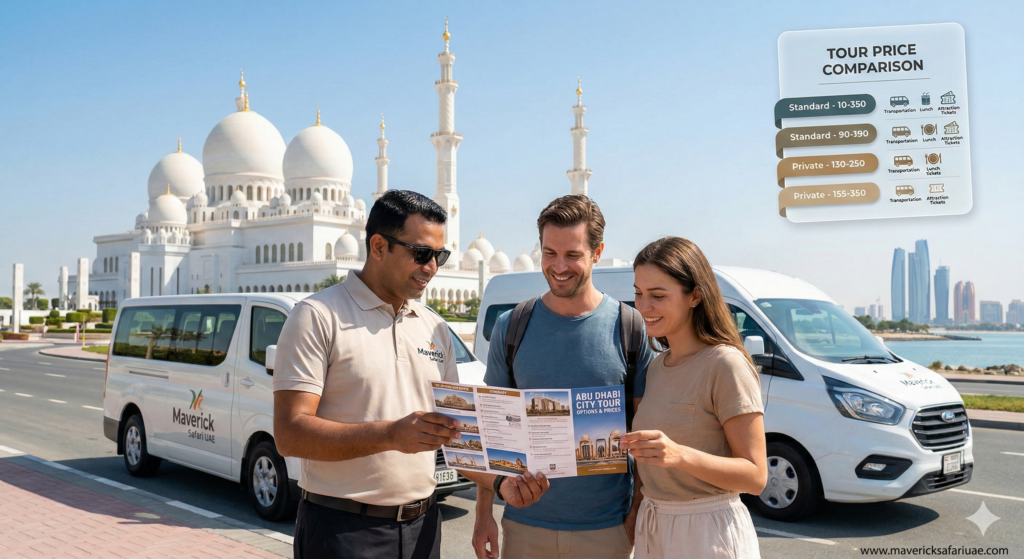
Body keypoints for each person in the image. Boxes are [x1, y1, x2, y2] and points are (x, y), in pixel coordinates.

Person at [272, 190, 463, 559]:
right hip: (343, 530)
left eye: (440, 256)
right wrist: (391, 434)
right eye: (422, 254)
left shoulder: (434, 328)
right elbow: (290, 433)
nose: (432, 268)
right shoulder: (317, 316)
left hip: (423, 528)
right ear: (378, 246)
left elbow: (458, 429)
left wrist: (505, 482)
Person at [467, 195, 655, 559]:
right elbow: (495, 435)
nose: (559, 266)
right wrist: (482, 513)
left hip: (607, 530)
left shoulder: (631, 329)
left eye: (572, 255)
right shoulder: (512, 327)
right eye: (549, 253)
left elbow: (645, 436)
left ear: (597, 252)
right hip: (524, 527)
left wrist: (633, 519)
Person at [621, 237, 767, 559]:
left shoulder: (725, 363)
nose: (643, 307)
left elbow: (756, 477)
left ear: (695, 296)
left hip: (707, 532)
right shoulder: (657, 366)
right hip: (653, 526)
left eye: (658, 296)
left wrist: (679, 455)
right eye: (638, 293)